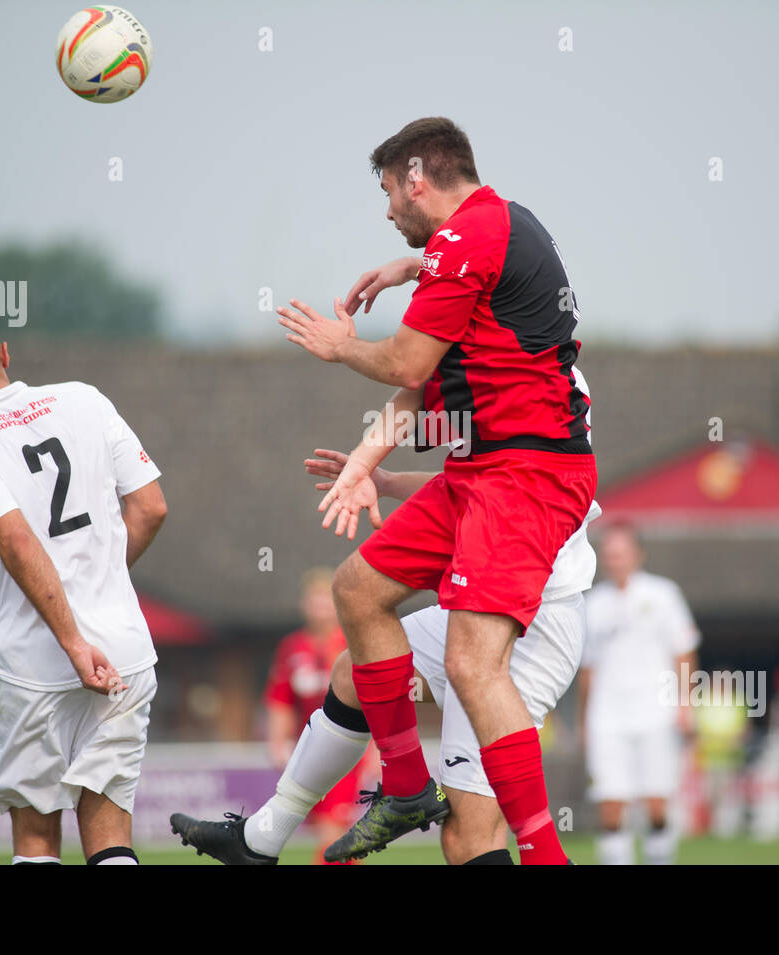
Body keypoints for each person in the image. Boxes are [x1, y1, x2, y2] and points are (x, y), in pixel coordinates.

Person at [275, 117, 596, 865]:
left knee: (469, 668)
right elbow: (428, 381)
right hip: (482, 476)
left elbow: (406, 364)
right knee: (357, 590)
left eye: (389, 191)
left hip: (526, 479)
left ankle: (548, 855)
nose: (388, 209)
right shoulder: (503, 225)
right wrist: (410, 269)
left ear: (418, 177)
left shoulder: (468, 238)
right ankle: (407, 785)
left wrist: (339, 346)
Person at [172, 436, 601, 864]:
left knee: (468, 838)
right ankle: (263, 836)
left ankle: (424, 798)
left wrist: (354, 381)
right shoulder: (496, 382)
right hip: (480, 604)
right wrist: (388, 480)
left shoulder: (542, 382)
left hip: (531, 615)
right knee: (355, 669)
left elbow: (513, 487)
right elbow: (473, 482)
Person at [0, 303, 167, 865]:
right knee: (112, 835)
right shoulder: (84, 397)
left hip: (34, 662)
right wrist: (97, 588)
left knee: (35, 841)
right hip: (124, 648)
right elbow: (150, 508)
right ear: (5, 355)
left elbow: (17, 542)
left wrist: (74, 641)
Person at [579, 525, 699, 865]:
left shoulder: (663, 595)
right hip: (607, 717)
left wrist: (684, 704)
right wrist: (585, 719)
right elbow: (588, 668)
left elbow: (684, 652)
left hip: (655, 712)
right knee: (610, 802)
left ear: (637, 554)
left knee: (656, 801)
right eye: (610, 553)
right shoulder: (592, 603)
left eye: (621, 552)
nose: (615, 559)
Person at [264, 568, 376, 864]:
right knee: (337, 835)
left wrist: (378, 748)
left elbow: (375, 700)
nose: (321, 607)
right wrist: (278, 743)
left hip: (346, 746)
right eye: (314, 600)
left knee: (333, 832)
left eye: (326, 600)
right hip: (308, 749)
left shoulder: (353, 644)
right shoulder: (292, 648)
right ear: (304, 605)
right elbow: (281, 699)